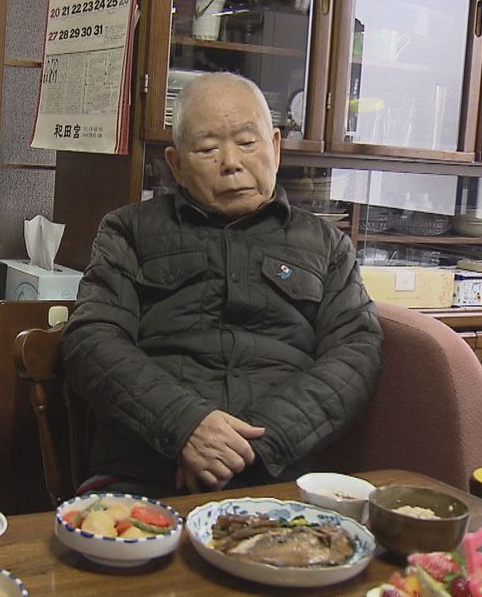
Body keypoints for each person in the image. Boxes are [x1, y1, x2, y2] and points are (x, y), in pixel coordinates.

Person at [61, 73, 382, 497]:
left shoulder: (327, 246)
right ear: (176, 164)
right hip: (147, 470)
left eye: (248, 143)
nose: (231, 163)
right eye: (208, 148)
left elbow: (355, 354)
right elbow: (91, 338)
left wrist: (246, 449)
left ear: (276, 146)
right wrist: (184, 427)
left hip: (280, 475)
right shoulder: (129, 230)